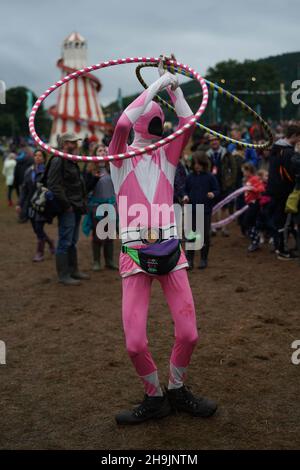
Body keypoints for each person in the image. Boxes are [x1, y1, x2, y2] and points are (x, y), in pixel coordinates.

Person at [109, 55, 217, 425]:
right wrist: (156, 85)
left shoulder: (166, 155)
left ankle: (176, 388)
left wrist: (174, 86)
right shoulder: (119, 157)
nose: (158, 117)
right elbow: (123, 121)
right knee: (134, 343)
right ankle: (154, 397)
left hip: (171, 250)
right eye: (154, 113)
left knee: (189, 334)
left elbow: (188, 121)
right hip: (134, 254)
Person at [47, 133, 90, 285]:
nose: (76, 145)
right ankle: (63, 275)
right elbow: (53, 185)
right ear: (65, 143)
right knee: (65, 241)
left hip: (76, 206)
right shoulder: (58, 159)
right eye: (73, 142)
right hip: (68, 208)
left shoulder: (71, 160)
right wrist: (67, 206)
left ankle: (74, 270)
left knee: (72, 240)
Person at [266, 125, 300, 260]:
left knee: (280, 219)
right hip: (284, 190)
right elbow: (293, 172)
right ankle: (283, 250)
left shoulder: (277, 148)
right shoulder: (288, 152)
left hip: (275, 189)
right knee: (285, 221)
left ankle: (279, 246)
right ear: (294, 136)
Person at [83, 143, 117, 271]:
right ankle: (96, 262)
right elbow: (86, 188)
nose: (102, 153)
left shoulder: (112, 168)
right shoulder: (90, 169)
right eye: (99, 151)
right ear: (95, 154)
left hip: (111, 205)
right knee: (97, 235)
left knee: (109, 235)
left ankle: (109, 261)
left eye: (104, 151)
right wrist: (95, 178)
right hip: (96, 206)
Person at [183, 152, 220, 269]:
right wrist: (185, 196)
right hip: (192, 210)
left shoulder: (210, 177)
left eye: (199, 163)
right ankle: (189, 260)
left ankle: (204, 259)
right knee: (191, 235)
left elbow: (217, 190)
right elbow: (184, 190)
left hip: (205, 210)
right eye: (195, 163)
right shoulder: (189, 177)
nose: (197, 166)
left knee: (204, 236)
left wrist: (213, 194)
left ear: (204, 164)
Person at [17, 150, 55, 262]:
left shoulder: (47, 172)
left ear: (44, 158)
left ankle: (40, 253)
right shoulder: (29, 171)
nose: (37, 157)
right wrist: (19, 203)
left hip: (42, 204)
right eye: (35, 155)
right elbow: (24, 189)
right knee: (36, 229)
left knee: (39, 227)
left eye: (40, 156)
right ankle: (50, 242)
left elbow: (51, 186)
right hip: (30, 205)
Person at [207, 136, 237, 237]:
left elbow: (234, 168)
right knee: (212, 206)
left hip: (224, 184)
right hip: (211, 185)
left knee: (225, 207)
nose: (214, 142)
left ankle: (224, 228)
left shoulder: (226, 153)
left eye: (215, 140)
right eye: (211, 140)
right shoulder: (207, 155)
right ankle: (214, 228)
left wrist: (230, 181)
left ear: (219, 141)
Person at [241, 163, 265, 252]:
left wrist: (253, 189)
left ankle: (255, 241)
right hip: (250, 204)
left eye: (244, 171)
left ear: (248, 171)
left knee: (247, 222)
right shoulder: (248, 180)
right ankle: (255, 241)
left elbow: (262, 188)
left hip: (255, 204)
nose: (243, 173)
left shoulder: (255, 179)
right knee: (249, 223)